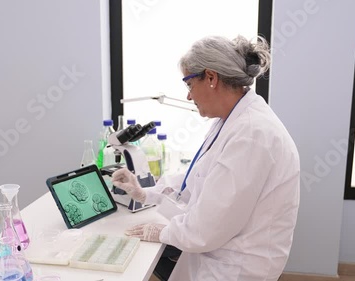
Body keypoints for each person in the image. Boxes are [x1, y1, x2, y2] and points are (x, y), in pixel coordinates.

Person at [112, 35, 300, 281]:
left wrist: (163, 232)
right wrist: (146, 192)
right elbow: (200, 178)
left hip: (236, 268)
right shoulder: (231, 121)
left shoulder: (252, 134)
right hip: (220, 255)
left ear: (211, 78)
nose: (189, 97)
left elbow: (207, 227)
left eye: (189, 85)